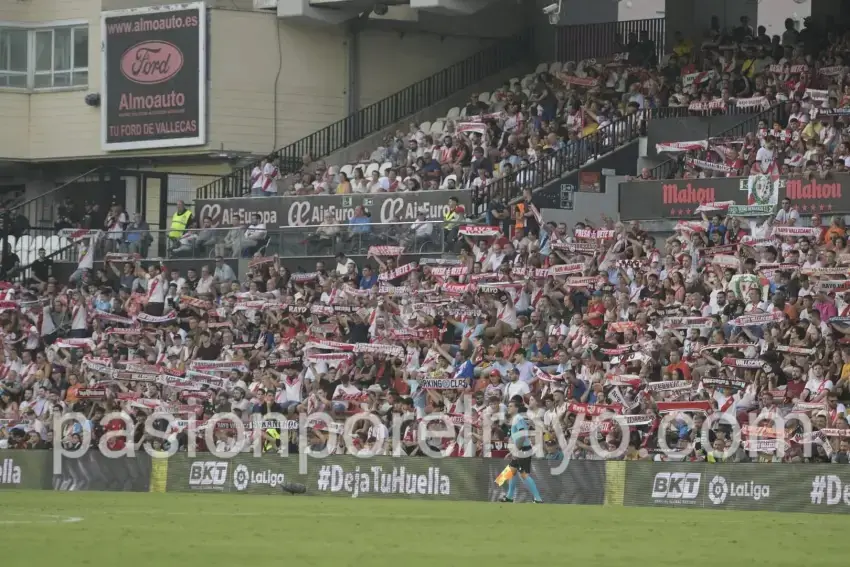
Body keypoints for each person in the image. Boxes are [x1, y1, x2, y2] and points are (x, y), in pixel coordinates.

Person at [497, 396, 543, 503]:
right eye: (508, 406)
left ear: (517, 408)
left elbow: (522, 436)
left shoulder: (518, 418)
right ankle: (509, 497)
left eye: (511, 406)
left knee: (523, 474)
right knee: (511, 472)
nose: (508, 408)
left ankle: (538, 498)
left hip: (523, 450)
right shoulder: (517, 418)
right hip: (522, 448)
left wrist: (516, 451)